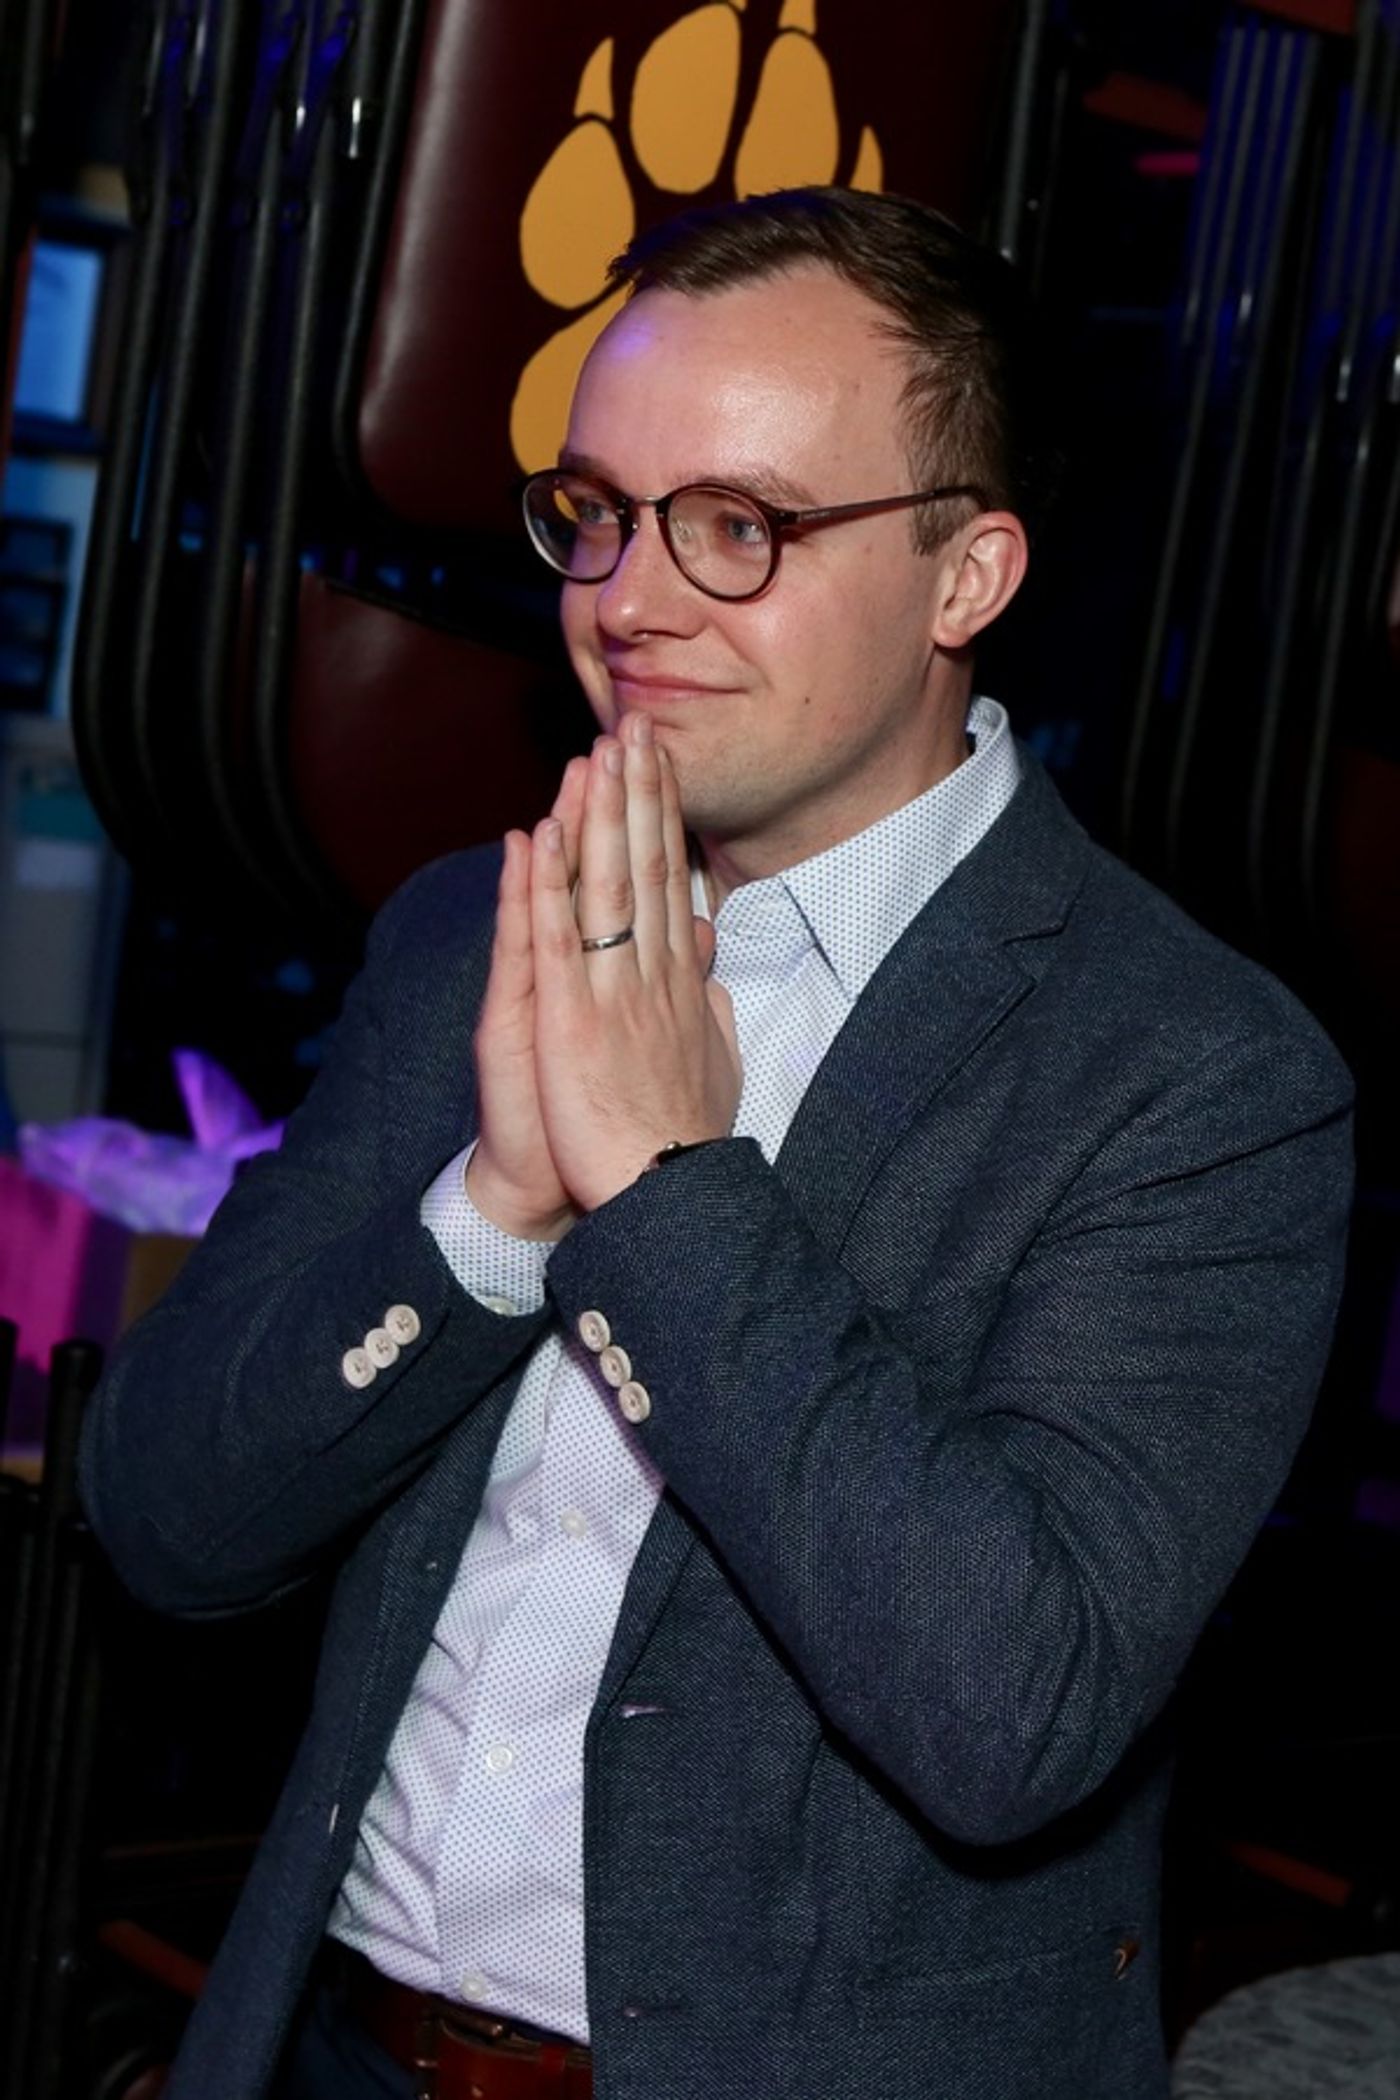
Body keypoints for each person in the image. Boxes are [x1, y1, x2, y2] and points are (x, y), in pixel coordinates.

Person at [80, 187, 1353, 2100]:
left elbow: (1013, 1713)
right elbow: (164, 1523)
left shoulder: (1197, 1076)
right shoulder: (467, 933)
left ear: (965, 576)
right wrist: (495, 1211)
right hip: (333, 2052)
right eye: (597, 512)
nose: (629, 596)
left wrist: (666, 1196)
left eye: (738, 526)